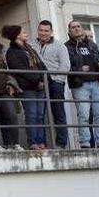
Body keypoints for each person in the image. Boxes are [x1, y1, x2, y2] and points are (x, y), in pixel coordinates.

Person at [3, 25, 48, 150]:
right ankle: (33, 142)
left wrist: (44, 78)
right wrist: (37, 80)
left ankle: (41, 141)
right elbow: (20, 70)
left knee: (40, 115)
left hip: (39, 86)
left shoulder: (29, 49)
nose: (26, 33)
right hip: (28, 87)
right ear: (17, 35)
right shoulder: (12, 51)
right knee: (31, 114)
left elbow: (41, 65)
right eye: (23, 32)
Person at [65, 21, 99, 148]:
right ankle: (85, 143)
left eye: (78, 26)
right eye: (73, 27)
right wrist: (79, 69)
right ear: (69, 31)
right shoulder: (66, 47)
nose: (77, 29)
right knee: (83, 114)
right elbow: (65, 68)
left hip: (96, 82)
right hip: (80, 84)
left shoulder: (92, 45)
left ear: (82, 29)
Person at [31, 21, 70, 149]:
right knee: (39, 114)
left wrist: (57, 80)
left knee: (58, 113)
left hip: (55, 83)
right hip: (39, 83)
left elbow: (65, 65)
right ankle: (41, 143)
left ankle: (61, 143)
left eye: (46, 31)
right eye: (41, 30)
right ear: (38, 31)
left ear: (51, 32)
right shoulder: (32, 45)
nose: (43, 33)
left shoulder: (59, 46)